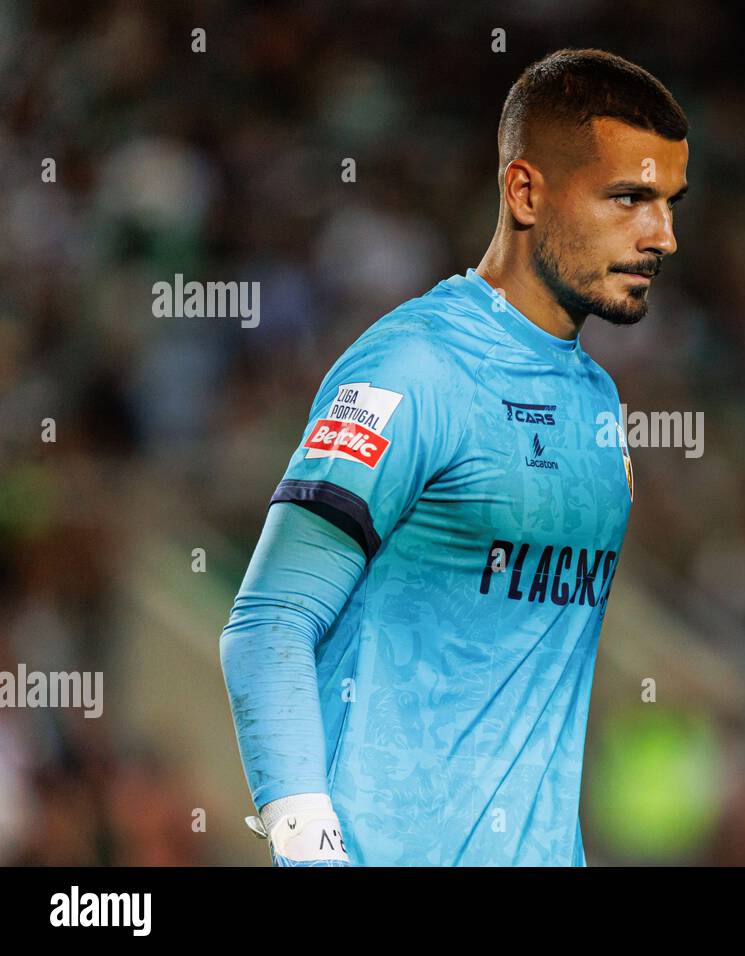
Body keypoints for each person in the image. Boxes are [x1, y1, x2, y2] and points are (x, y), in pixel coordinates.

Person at [219, 48, 689, 865]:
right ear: (524, 191)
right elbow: (267, 626)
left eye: (670, 204)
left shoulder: (599, 409)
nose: (664, 236)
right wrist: (311, 852)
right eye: (629, 199)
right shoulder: (411, 370)